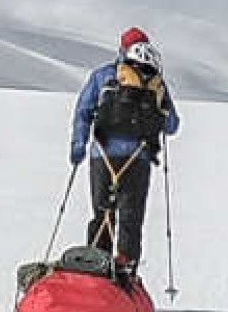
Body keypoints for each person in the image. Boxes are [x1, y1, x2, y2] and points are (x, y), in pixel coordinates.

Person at [69, 28, 177, 283]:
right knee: (131, 217)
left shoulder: (103, 76)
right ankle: (126, 273)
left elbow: (83, 112)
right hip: (137, 159)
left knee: (102, 213)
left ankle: (96, 271)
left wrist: (78, 145)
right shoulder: (155, 82)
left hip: (102, 156)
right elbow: (172, 125)